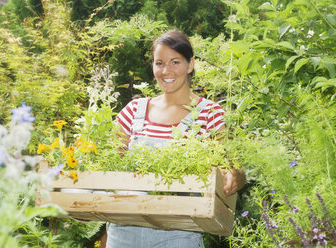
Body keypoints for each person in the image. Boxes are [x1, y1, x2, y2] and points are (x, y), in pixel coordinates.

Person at [105, 29, 246, 248]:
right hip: (123, 232)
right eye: (159, 63)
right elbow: (106, 166)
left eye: (175, 62)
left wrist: (236, 175)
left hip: (178, 234)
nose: (166, 71)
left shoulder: (209, 113)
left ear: (190, 65)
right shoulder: (134, 110)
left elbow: (232, 168)